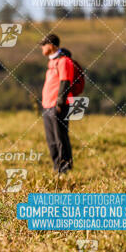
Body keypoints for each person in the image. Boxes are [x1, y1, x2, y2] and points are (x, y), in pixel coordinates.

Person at [40, 33, 73, 174]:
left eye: (44, 44)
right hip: (47, 106)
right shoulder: (51, 63)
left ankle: (65, 168)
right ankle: (57, 167)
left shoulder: (64, 61)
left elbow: (65, 82)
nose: (42, 47)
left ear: (52, 46)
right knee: (51, 139)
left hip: (58, 106)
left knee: (61, 138)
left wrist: (59, 104)